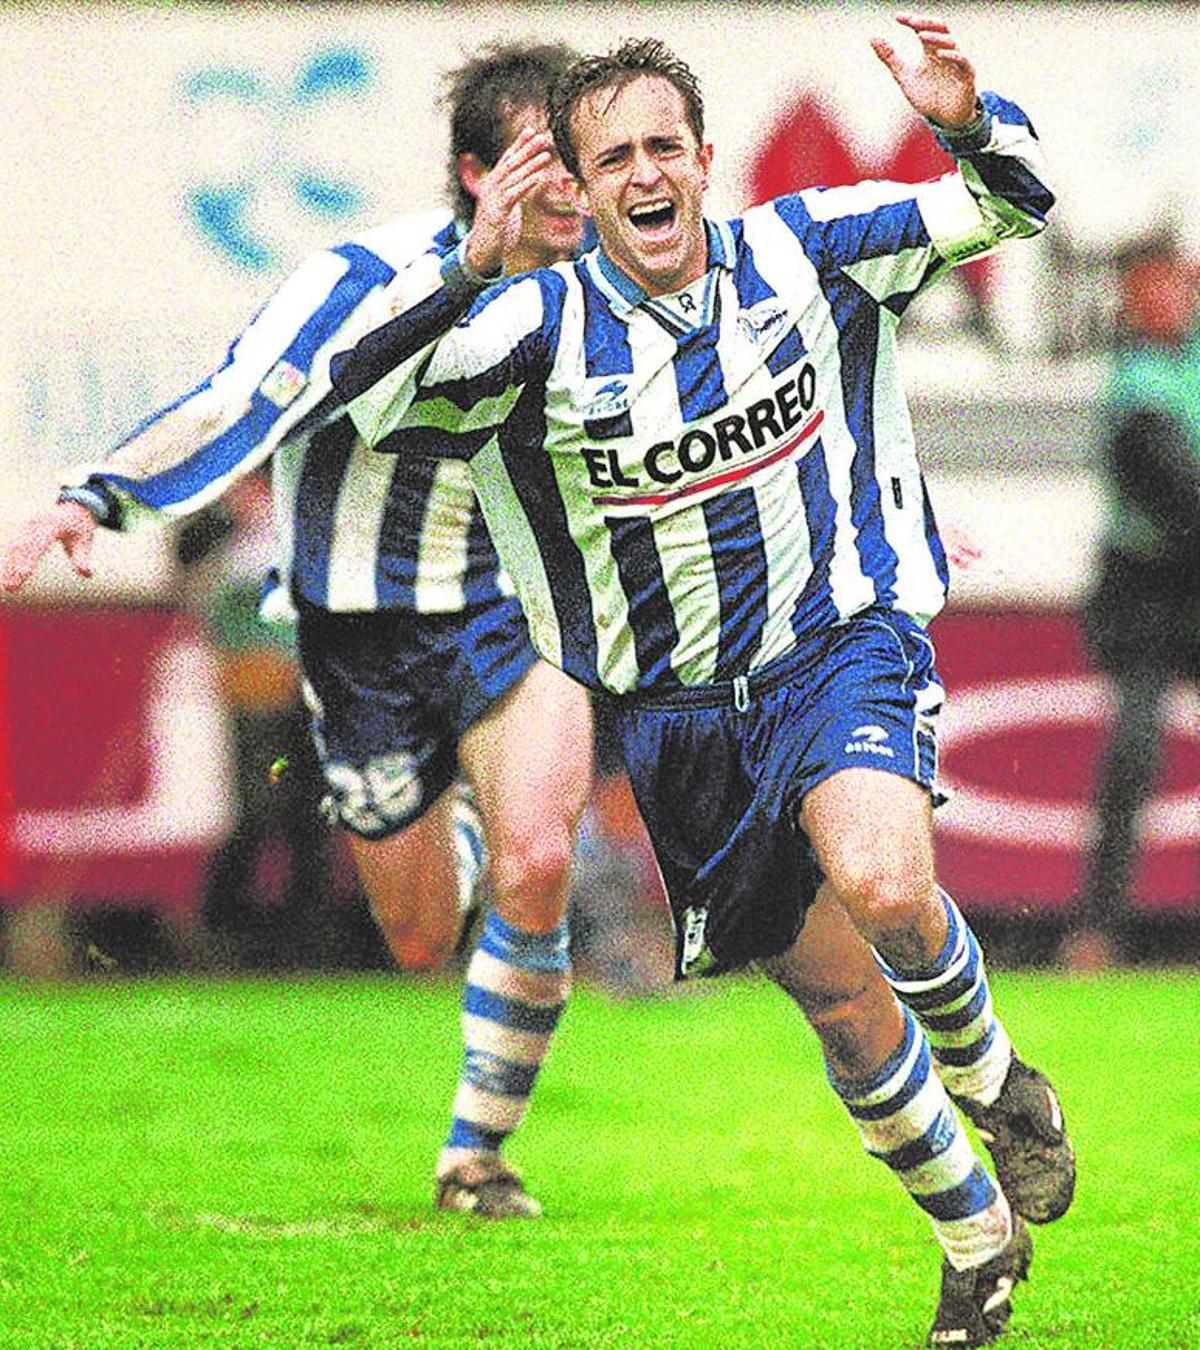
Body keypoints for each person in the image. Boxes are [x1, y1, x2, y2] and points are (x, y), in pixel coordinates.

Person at [333, 19, 1075, 1344]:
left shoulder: (805, 247)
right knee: (843, 1003)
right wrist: (467, 264)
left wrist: (965, 117)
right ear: (572, 183)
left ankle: (996, 1075)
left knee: (889, 878)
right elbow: (366, 399)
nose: (644, 174)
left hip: (837, 643)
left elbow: (1011, 205)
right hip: (679, 717)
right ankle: (976, 1239)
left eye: (663, 146)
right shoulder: (535, 332)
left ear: (703, 157)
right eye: (611, 156)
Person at [1, 43, 597, 1220]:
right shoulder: (358, 275)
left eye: (586, 157)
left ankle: (475, 1159)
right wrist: (91, 494)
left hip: (513, 615)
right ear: (477, 173)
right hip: (360, 642)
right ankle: (461, 836)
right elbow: (239, 399)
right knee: (422, 934)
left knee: (542, 865)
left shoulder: (616, 294)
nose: (576, 186)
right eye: (545, 160)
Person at [1065, 237, 1200, 968]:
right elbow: (1176, 490)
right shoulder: (1134, 383)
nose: (1161, 301)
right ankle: (1099, 925)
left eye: (1170, 286)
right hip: (1149, 582)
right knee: (1135, 750)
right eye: (1144, 289)